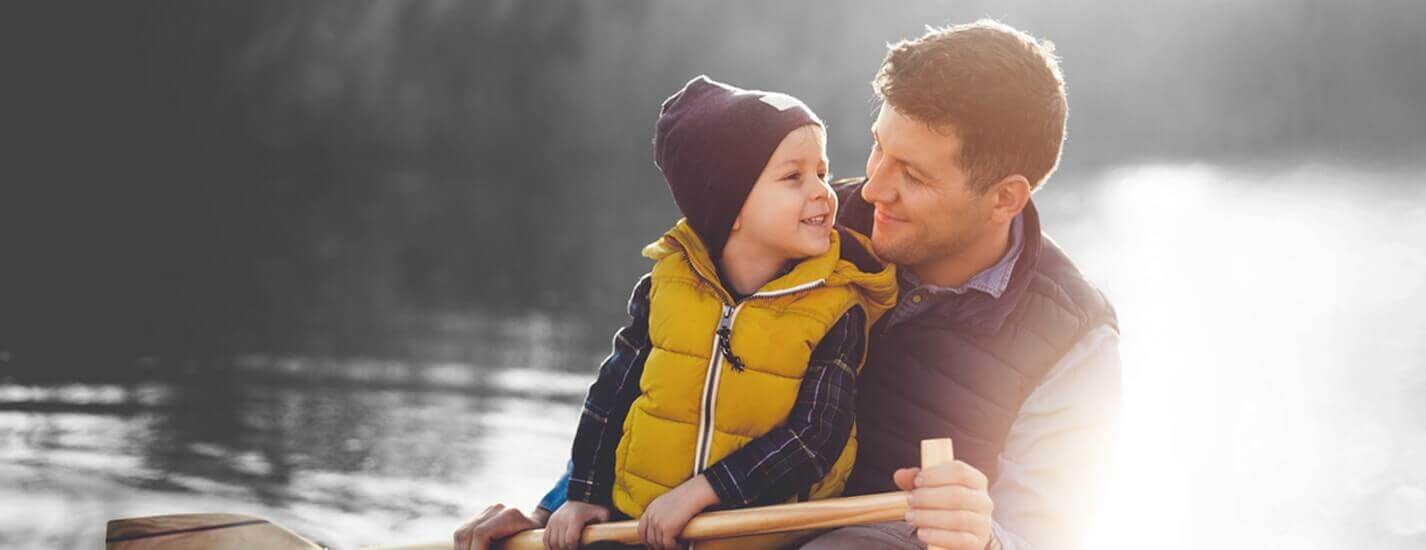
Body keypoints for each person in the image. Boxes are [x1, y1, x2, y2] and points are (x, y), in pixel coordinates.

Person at [460, 19, 1119, 550]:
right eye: (877, 147)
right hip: (723, 529)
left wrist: (986, 540)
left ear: (1004, 198)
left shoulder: (1073, 337)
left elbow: (1045, 535)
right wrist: (556, 513)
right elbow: (675, 384)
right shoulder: (802, 226)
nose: (874, 187)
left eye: (913, 175)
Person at [456, 75, 898, 550]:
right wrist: (581, 494)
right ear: (729, 204)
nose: (822, 192)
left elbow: (816, 438)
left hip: (762, 538)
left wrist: (703, 494)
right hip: (638, 527)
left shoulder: (837, 306)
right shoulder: (664, 288)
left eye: (821, 171)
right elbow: (611, 398)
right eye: (794, 177)